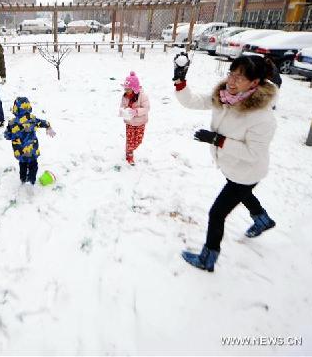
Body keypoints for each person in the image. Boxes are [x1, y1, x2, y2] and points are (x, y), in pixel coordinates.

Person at [172, 54, 278, 272]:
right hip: (233, 168)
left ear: (254, 83)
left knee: (217, 213)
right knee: (243, 193)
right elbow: (192, 101)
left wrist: (216, 140)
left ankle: (207, 258)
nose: (231, 80)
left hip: (247, 171)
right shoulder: (225, 98)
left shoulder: (262, 117)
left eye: (239, 77)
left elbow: (253, 153)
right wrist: (180, 79)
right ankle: (262, 219)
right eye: (231, 73)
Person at [4, 97, 56, 184]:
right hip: (32, 150)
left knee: (23, 164)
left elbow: (7, 135)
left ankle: (23, 179)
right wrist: (48, 127)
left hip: (20, 151)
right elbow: (43, 122)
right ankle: (32, 179)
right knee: (33, 164)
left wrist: (12, 134)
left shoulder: (12, 123)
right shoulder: (32, 119)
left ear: (15, 109)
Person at [118, 71, 150, 166]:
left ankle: (130, 148)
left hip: (140, 122)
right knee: (130, 139)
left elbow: (147, 108)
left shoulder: (142, 96)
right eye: (125, 88)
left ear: (134, 89)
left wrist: (136, 111)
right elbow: (122, 106)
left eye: (128, 89)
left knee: (138, 141)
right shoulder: (125, 97)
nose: (126, 91)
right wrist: (123, 111)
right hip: (130, 122)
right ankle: (129, 154)